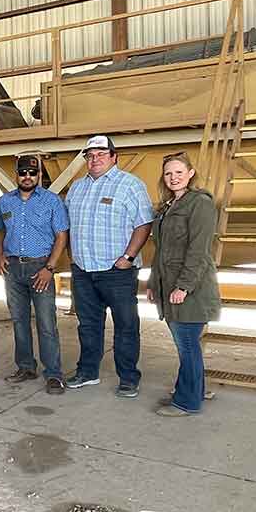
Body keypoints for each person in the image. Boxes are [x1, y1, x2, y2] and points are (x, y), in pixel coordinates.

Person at [64, 135, 154, 398]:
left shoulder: (130, 185)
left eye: (101, 154)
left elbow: (143, 224)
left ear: (114, 157)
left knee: (126, 325)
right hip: (83, 269)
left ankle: (128, 378)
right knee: (88, 324)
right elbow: (69, 227)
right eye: (90, 155)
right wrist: (73, 258)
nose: (95, 159)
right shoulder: (77, 188)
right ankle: (88, 372)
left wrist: (128, 256)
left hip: (118, 272)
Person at [146, 152, 220, 417]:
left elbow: (198, 250)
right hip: (169, 285)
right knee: (188, 345)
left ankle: (187, 402)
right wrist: (154, 282)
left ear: (190, 173)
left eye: (178, 172)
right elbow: (161, 250)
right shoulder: (168, 207)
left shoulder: (200, 203)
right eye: (168, 173)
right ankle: (193, 390)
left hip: (191, 288)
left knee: (187, 344)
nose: (173, 177)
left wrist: (184, 286)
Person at [0, 154, 69, 394]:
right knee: (19, 321)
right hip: (13, 269)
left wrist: (49, 268)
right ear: (16, 175)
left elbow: (61, 236)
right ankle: (26, 367)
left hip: (40, 268)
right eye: (23, 172)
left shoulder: (52, 201)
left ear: (39, 176)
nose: (27, 177)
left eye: (32, 173)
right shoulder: (5, 202)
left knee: (47, 323)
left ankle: (54, 374)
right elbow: (0, 230)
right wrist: (0, 255)